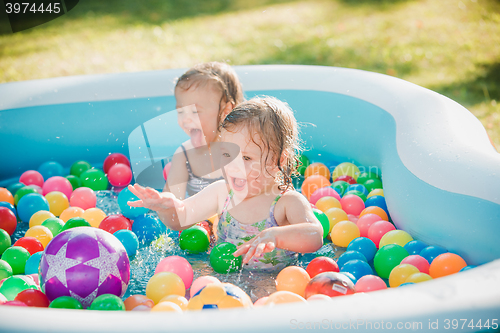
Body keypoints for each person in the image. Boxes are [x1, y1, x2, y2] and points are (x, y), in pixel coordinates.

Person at [129, 97, 323, 271]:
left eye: (247, 157)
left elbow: (315, 236)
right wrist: (165, 207)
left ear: (279, 161)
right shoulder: (222, 193)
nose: (234, 166)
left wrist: (276, 236)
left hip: (273, 289)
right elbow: (180, 219)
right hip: (222, 282)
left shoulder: (286, 203)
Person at [165, 62, 244, 200]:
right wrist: (161, 203)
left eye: (195, 111)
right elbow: (172, 207)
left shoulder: (244, 151)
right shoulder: (184, 155)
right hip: (201, 222)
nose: (186, 119)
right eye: (181, 111)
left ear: (226, 111)